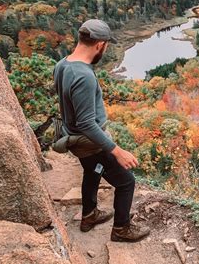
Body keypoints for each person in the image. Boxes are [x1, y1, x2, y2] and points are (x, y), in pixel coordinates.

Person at [53, 19, 150, 242]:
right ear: (100, 45)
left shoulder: (62, 65)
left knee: (92, 171)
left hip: (74, 138)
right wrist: (118, 151)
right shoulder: (84, 76)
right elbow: (87, 123)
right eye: (106, 46)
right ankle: (121, 229)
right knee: (126, 182)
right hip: (90, 142)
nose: (105, 50)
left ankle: (89, 215)